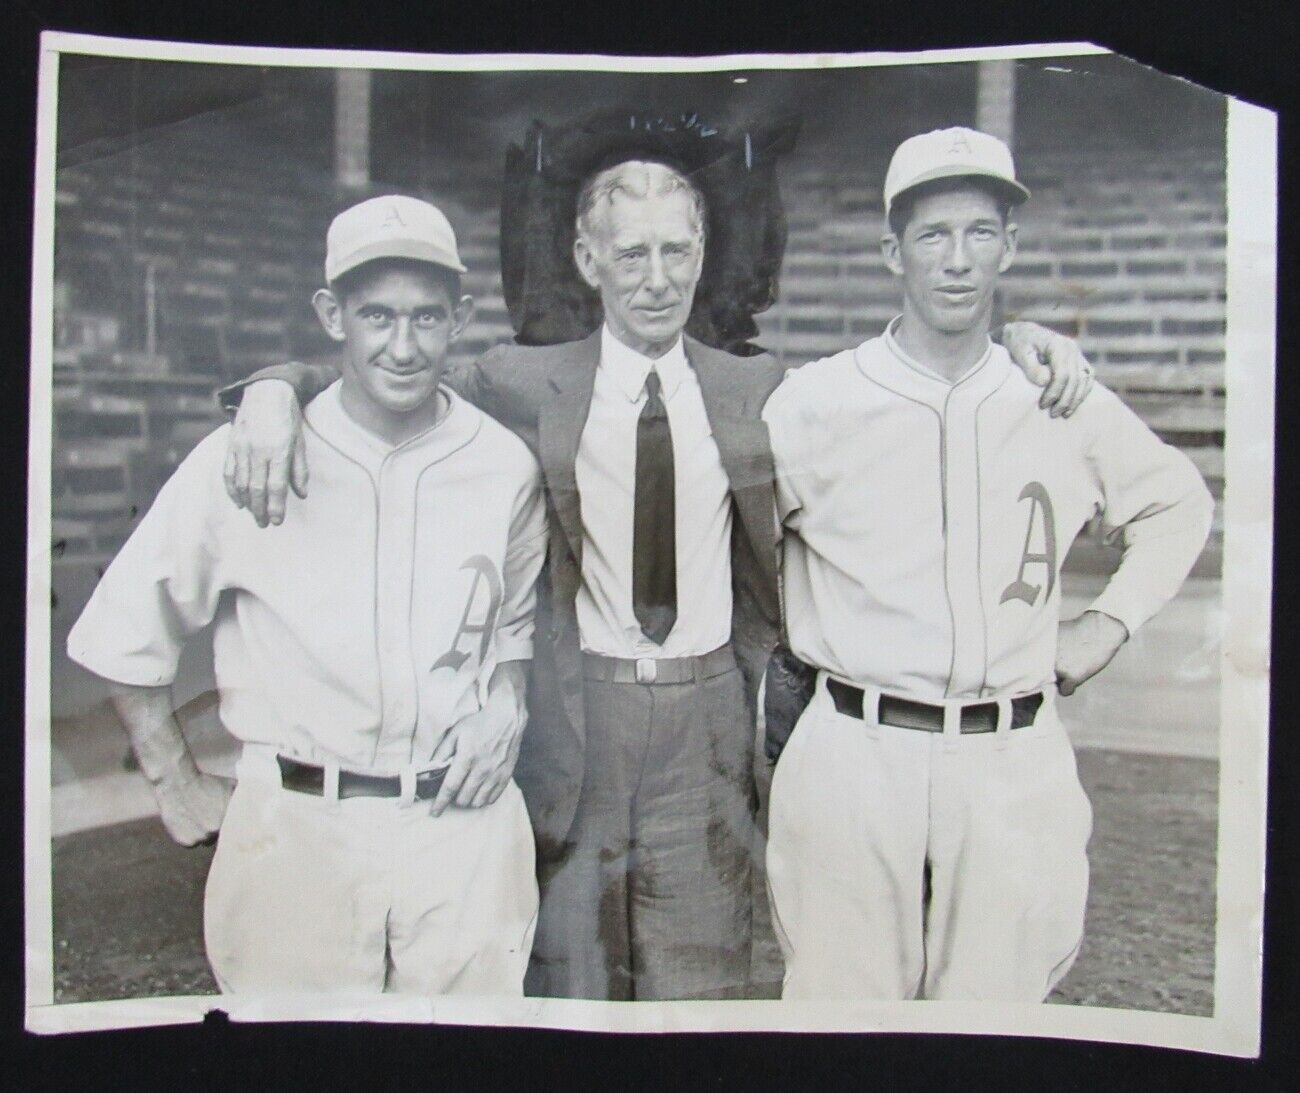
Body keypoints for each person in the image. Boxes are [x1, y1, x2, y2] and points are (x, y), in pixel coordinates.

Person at [220, 155, 1093, 1000]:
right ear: (586, 259)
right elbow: (386, 377)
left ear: (702, 256)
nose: (655, 278)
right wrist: (272, 389)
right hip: (580, 708)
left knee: (701, 961)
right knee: (568, 965)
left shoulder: (755, 387)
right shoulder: (521, 382)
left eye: (676, 251)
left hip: (705, 709)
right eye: (631, 253)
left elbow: (914, 363)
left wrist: (1017, 336)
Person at [760, 127, 1215, 1001]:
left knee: (998, 1021)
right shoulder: (817, 400)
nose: (957, 259)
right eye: (933, 234)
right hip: (857, 747)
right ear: (892, 250)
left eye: (979, 231)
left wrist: (1108, 620)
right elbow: (744, 548)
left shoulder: (1058, 396)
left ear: (1011, 243)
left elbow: (1179, 504)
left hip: (1011, 752)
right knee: (838, 1019)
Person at [67, 195, 547, 996]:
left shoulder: (503, 464)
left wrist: (509, 699)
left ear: (459, 317)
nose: (402, 346)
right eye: (376, 316)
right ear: (332, 315)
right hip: (297, 827)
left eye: (427, 319)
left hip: (462, 828)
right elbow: (124, 631)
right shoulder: (245, 458)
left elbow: (511, 627)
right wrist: (172, 778)